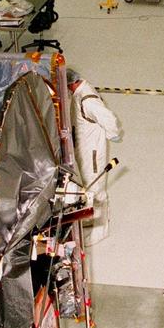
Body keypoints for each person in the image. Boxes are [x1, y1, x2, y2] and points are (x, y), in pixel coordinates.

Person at [67, 70, 121, 239]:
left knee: (95, 189)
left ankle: (98, 231)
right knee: (86, 186)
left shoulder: (88, 100)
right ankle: (89, 223)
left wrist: (113, 133)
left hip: (92, 153)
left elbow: (109, 119)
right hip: (83, 147)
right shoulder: (79, 93)